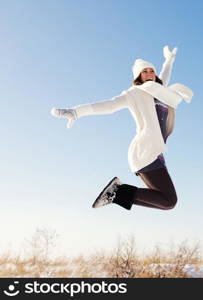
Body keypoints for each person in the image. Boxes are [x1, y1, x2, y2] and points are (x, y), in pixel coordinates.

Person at [51, 46, 193, 211]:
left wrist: (169, 60)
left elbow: (165, 76)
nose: (149, 74)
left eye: (151, 71)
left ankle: (117, 193)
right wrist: (76, 112)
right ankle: (116, 191)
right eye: (144, 71)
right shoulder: (134, 93)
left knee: (167, 202)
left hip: (154, 152)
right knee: (169, 200)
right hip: (144, 151)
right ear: (138, 76)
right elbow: (109, 105)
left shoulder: (159, 92)